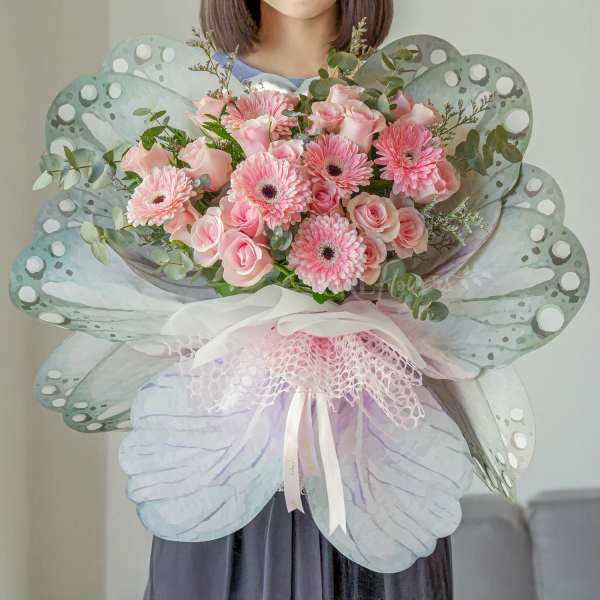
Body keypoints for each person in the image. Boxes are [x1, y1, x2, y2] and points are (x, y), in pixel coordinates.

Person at [144, 2, 453, 598]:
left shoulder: (408, 104)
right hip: (230, 442)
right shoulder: (194, 97)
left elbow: (447, 296)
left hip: (371, 448)